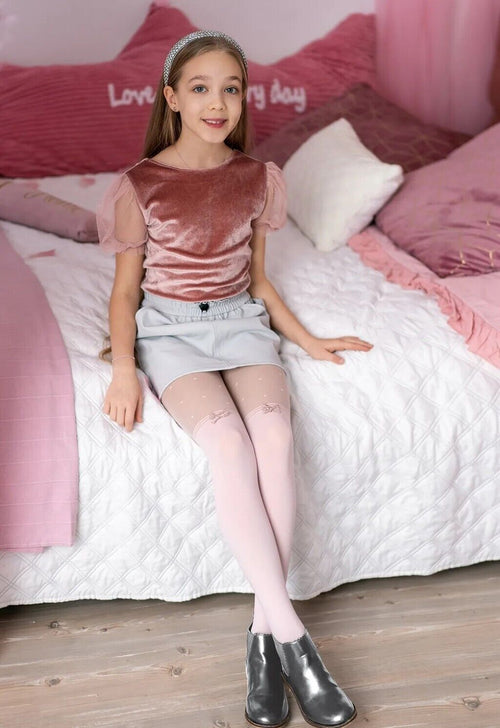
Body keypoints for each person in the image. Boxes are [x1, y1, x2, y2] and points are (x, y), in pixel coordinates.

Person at [98, 30, 372, 728]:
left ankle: (261, 637)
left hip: (240, 324)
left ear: (244, 98)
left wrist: (306, 339)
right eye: (200, 88)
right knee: (228, 444)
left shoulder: (257, 177)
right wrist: (125, 367)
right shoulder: (141, 185)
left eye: (231, 88)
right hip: (169, 331)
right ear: (171, 99)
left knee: (275, 436)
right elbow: (124, 292)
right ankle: (296, 642)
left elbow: (259, 282)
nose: (217, 103)